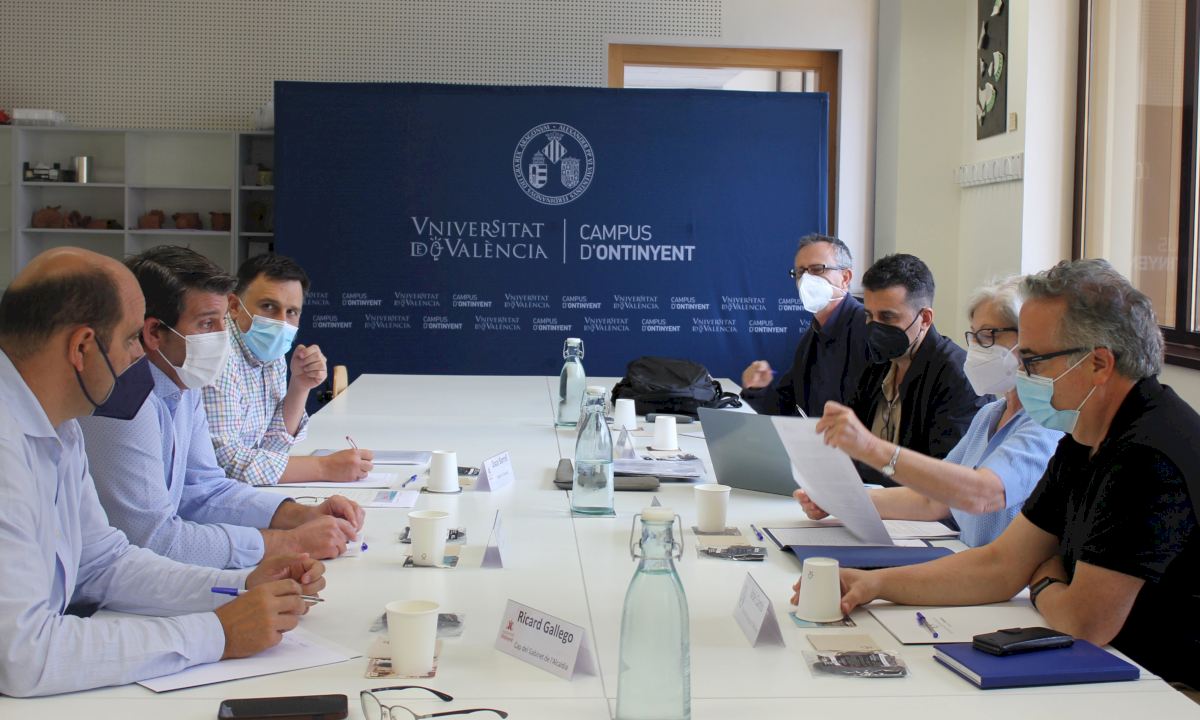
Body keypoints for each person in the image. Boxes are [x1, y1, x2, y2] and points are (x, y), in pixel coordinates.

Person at [792, 259, 1200, 689]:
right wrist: (873, 584)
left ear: (1098, 364)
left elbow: (1084, 621)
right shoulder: (1084, 435)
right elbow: (1003, 564)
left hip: (1164, 687)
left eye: (1034, 360)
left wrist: (1043, 577)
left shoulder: (1146, 453)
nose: (1021, 373)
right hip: (1106, 668)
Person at [0, 247, 326, 697]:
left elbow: (105, 563)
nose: (141, 353)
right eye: (131, 338)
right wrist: (218, 633)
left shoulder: (63, 425)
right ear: (81, 348)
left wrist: (239, 586)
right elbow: (22, 655)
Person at [78, 246, 364, 569]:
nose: (222, 337)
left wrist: (302, 515)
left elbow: (206, 491)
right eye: (206, 324)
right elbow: (153, 540)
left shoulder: (183, 382)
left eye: (221, 322)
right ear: (154, 332)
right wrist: (288, 543)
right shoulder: (123, 403)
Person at [795, 277, 1062, 546]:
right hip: (966, 560)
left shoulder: (1047, 425)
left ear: (1030, 340)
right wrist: (839, 501)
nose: (976, 349)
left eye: (987, 336)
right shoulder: (989, 415)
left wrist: (870, 447)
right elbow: (933, 499)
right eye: (973, 336)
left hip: (996, 571)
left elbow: (981, 493)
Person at [204, 253, 374, 485]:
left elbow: (273, 448)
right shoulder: (218, 356)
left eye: (292, 312)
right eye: (268, 306)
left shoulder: (269, 349)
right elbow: (226, 466)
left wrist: (299, 386)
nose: (281, 322)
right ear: (234, 306)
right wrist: (324, 468)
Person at [842, 253, 985, 485]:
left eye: (887, 317)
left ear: (925, 318)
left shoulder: (958, 378)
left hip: (918, 506)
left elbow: (945, 478)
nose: (875, 328)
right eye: (869, 316)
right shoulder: (874, 364)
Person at [740, 234, 870, 417]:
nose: (806, 280)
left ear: (845, 278)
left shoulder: (868, 327)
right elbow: (785, 409)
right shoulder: (811, 338)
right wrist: (758, 389)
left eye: (817, 269)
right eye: (800, 273)